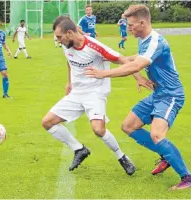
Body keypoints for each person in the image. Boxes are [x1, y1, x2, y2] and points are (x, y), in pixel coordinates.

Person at [84, 5, 191, 190]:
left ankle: (188, 178)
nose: (128, 28)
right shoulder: (144, 39)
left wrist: (103, 74)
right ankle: (165, 155)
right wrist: (115, 58)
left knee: (157, 135)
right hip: (158, 93)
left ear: (142, 23)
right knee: (128, 126)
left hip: (171, 95)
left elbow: (136, 66)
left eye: (131, 25)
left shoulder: (155, 41)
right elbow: (139, 58)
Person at [42, 16, 152, 174]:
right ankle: (79, 149)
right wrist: (69, 82)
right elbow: (69, 60)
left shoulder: (94, 46)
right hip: (77, 92)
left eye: (59, 37)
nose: (58, 41)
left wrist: (138, 77)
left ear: (70, 33)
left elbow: (121, 59)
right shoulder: (67, 44)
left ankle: (122, 157)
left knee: (98, 130)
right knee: (47, 122)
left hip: (95, 91)